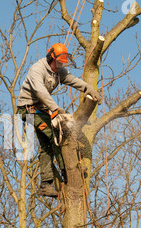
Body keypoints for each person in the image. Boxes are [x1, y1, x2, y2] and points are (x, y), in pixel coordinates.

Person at [17, 43, 100, 197]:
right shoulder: (37, 69)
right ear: (51, 58)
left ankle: (45, 184)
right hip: (28, 110)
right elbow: (40, 91)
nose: (60, 66)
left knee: (47, 145)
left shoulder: (59, 71)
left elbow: (71, 80)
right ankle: (67, 172)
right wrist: (55, 109)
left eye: (63, 63)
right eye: (58, 63)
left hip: (42, 110)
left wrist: (88, 88)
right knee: (57, 134)